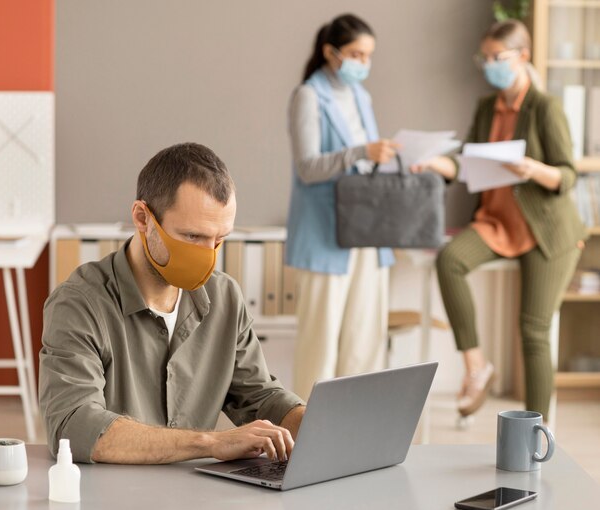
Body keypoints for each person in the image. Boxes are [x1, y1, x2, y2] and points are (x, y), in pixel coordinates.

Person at [39, 143, 305, 464]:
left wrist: (315, 423)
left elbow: (258, 396)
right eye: (193, 237)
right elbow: (73, 425)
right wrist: (210, 442)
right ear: (142, 218)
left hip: (196, 495)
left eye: (219, 239)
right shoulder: (79, 303)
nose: (208, 255)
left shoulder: (225, 297)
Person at [412, 20, 587, 420]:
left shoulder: (545, 107)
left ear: (522, 57)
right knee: (449, 259)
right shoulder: (486, 107)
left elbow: (567, 174)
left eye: (497, 58)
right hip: (496, 222)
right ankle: (477, 366)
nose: (489, 65)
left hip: (545, 230)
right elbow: (469, 162)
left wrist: (533, 169)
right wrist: (440, 163)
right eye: (485, 58)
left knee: (534, 331)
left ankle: (534, 434)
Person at [285, 14, 399, 400]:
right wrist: (360, 152)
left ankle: (357, 432)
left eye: (368, 55)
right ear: (330, 52)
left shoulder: (360, 96)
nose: (363, 63)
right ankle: (308, 434)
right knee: (321, 345)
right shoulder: (308, 95)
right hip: (324, 235)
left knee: (364, 341)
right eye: (356, 54)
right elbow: (308, 167)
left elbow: (366, 163)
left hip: (366, 232)